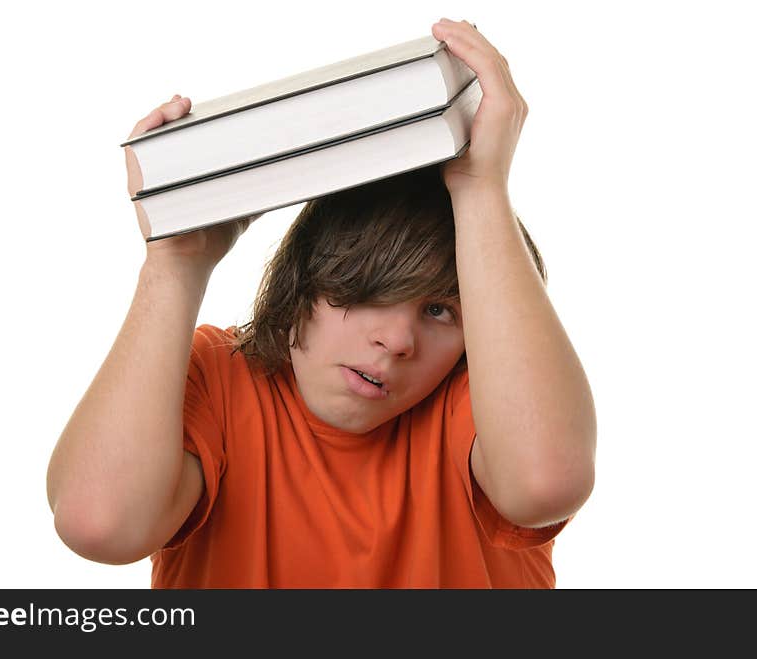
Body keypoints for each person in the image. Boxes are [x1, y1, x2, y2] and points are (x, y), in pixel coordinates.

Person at [46, 18, 596, 588]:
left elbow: (545, 480)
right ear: (305, 278)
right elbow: (98, 523)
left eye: (440, 311)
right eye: (371, 288)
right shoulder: (215, 379)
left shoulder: (475, 405)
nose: (398, 341)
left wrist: (483, 188)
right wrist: (174, 266)